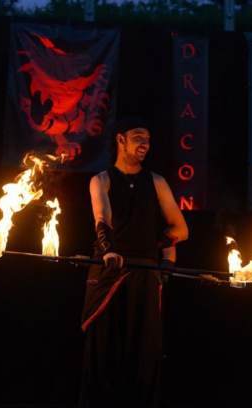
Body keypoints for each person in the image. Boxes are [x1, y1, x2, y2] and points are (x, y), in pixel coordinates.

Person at [79, 117, 189, 407]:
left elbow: (181, 229)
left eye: (148, 139)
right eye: (138, 137)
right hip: (108, 269)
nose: (145, 143)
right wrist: (108, 251)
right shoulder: (101, 179)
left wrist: (154, 251)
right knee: (104, 350)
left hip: (145, 271)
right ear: (120, 140)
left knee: (144, 351)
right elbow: (102, 218)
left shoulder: (156, 182)